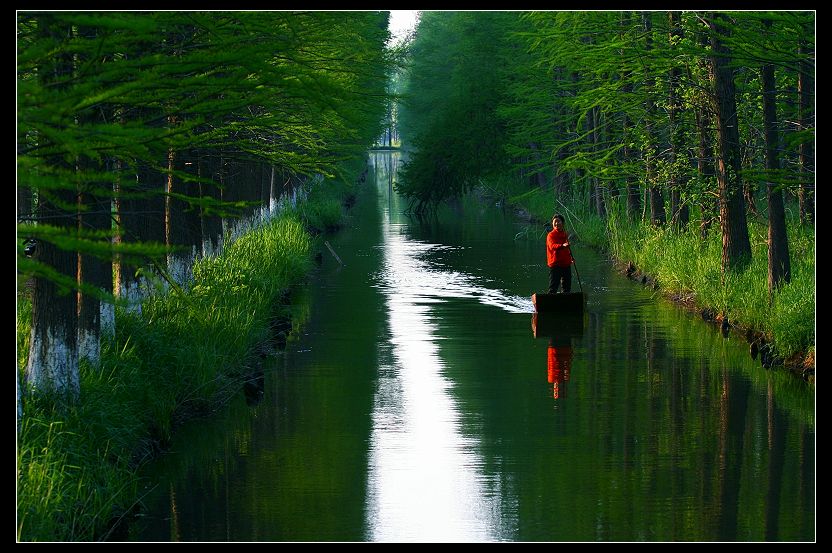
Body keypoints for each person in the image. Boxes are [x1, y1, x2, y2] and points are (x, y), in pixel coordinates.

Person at [546, 214, 572, 294]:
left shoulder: (565, 234)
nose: (557, 223)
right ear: (553, 224)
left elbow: (567, 249)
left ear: (562, 223)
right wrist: (562, 245)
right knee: (553, 288)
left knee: (566, 288)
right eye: (555, 222)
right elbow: (552, 246)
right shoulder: (551, 235)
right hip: (555, 264)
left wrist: (571, 258)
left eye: (559, 221)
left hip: (566, 264)